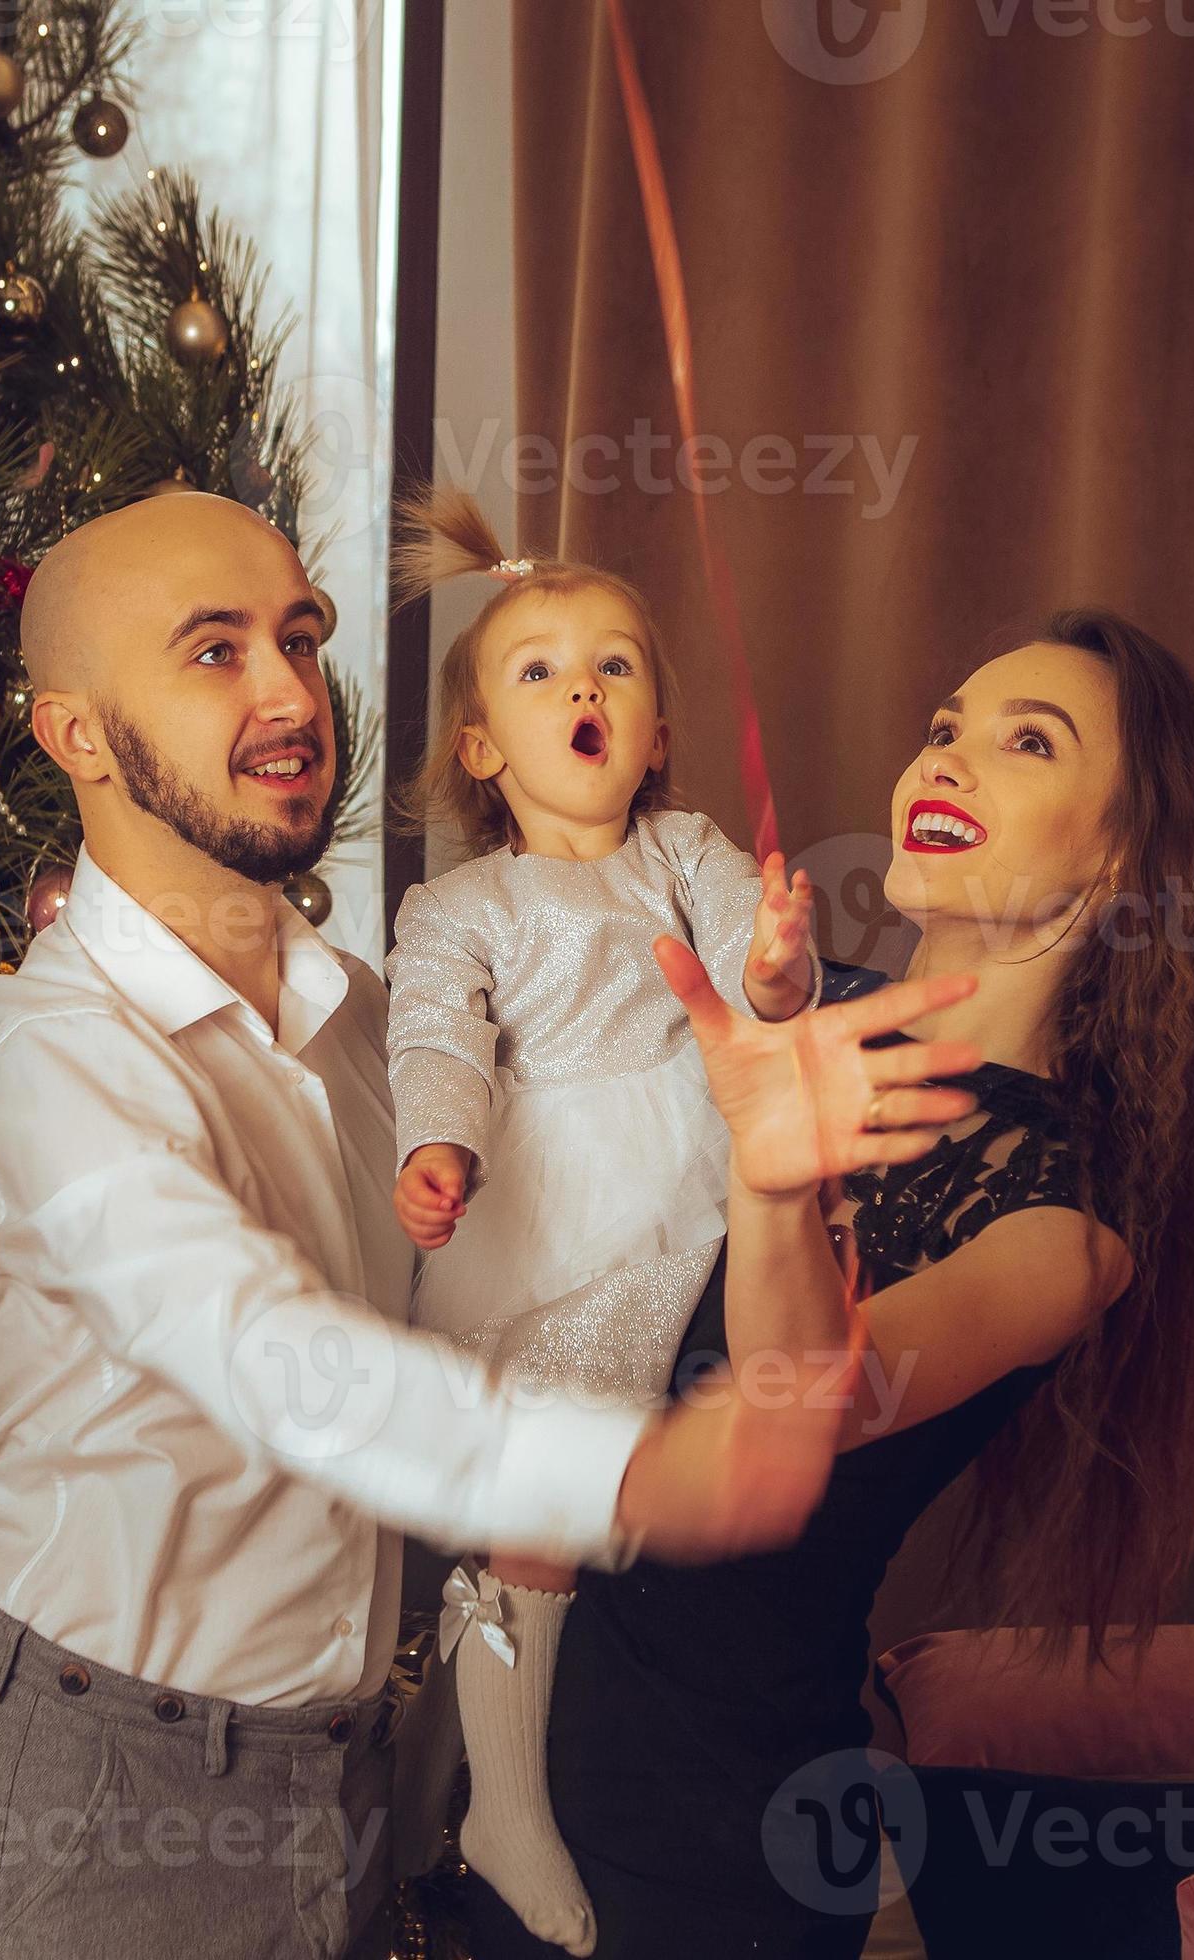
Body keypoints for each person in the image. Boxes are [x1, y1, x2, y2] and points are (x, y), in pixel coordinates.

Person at [0, 491, 986, 1960]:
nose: (288, 695)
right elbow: (270, 1363)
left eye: (300, 636)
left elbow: (510, 1278)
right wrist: (649, 1473)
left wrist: (769, 1165)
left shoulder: (375, 1027)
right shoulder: (51, 1056)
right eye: (213, 653)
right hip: (92, 1803)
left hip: (334, 1785)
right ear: (76, 734)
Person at [465, 609, 1194, 1958]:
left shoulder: (1062, 1230)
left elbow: (805, 1403)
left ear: (1130, 851)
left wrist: (777, 1180)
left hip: (700, 1842)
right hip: (481, 1738)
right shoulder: (781, 1005)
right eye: (944, 728)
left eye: (1028, 743)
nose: (948, 761)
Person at [381, 486, 818, 1954]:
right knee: (536, 1513)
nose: (585, 687)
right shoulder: (462, 909)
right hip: (549, 1195)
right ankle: (491, 1804)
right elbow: (437, 1037)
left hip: (688, 1189)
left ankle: (471, 1773)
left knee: (587, 1512)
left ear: (656, 730)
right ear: (481, 748)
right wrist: (441, 1141)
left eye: (616, 666)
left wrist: (772, 963)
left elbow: (761, 991)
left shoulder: (684, 850)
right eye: (542, 670)